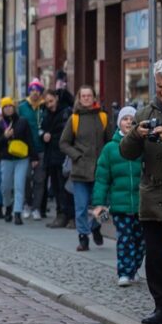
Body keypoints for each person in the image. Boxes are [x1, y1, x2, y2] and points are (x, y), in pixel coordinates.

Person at [119, 59, 162, 324]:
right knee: (156, 258)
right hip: (154, 197)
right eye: (161, 87)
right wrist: (135, 135)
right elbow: (126, 153)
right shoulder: (145, 113)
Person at [91, 106, 143, 287]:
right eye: (125, 118)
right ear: (119, 122)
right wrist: (99, 203)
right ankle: (124, 272)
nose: (129, 121)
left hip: (142, 204)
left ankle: (134, 267)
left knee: (141, 242)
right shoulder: (110, 149)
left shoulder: (143, 144)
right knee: (125, 239)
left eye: (132, 118)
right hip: (120, 205)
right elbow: (102, 178)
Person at [59, 85, 112, 251]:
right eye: (84, 96)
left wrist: (106, 159)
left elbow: (110, 142)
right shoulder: (74, 119)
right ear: (79, 98)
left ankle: (95, 227)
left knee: (101, 205)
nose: (87, 98)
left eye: (90, 95)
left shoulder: (103, 117)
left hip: (99, 170)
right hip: (80, 170)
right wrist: (77, 155)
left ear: (94, 98)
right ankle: (83, 237)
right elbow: (63, 143)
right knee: (81, 207)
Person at [41, 89, 75, 228]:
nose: (49, 104)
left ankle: (70, 216)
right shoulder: (46, 114)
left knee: (66, 188)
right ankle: (61, 214)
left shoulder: (65, 112)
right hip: (51, 156)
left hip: (62, 156)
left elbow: (66, 134)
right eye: (47, 102)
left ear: (56, 98)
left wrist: (50, 136)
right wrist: (43, 135)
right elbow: (42, 130)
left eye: (51, 101)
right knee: (56, 188)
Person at [0, 97, 33, 224]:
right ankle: (8, 207)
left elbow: (29, 139)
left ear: (14, 107)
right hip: (6, 159)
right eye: (5, 107)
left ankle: (17, 213)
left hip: (22, 158)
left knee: (19, 185)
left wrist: (34, 157)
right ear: (2, 110)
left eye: (10, 106)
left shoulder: (22, 121)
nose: (8, 109)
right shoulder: (0, 124)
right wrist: (4, 137)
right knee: (5, 187)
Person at [18, 79, 46, 220]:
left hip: (41, 148)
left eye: (38, 90)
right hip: (25, 149)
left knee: (39, 180)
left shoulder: (44, 107)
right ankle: (27, 204)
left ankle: (36, 208)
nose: (35, 93)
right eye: (33, 90)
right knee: (26, 177)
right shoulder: (22, 107)